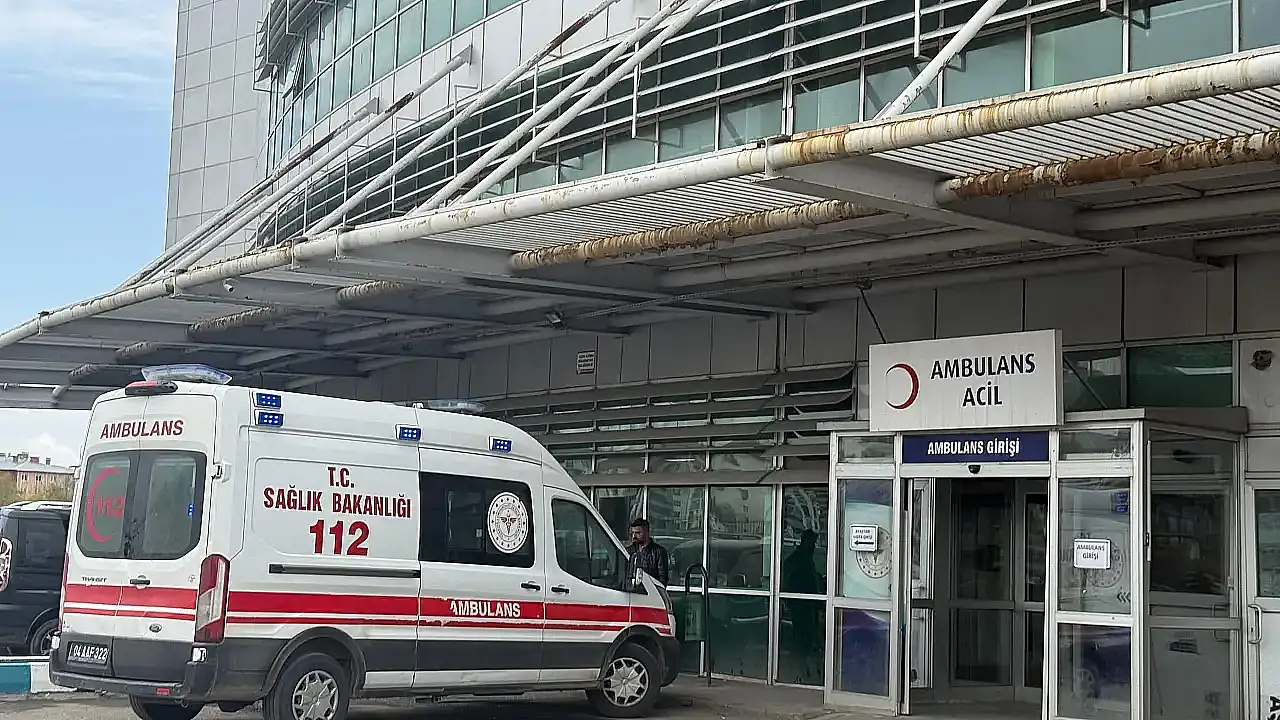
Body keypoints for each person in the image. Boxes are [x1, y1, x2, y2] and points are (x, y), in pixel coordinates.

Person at [628, 517, 670, 587]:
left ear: (647, 533)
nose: (634, 536)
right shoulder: (630, 551)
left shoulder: (659, 552)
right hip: (631, 590)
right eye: (632, 533)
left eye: (638, 533)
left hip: (650, 591)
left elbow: (662, 579)